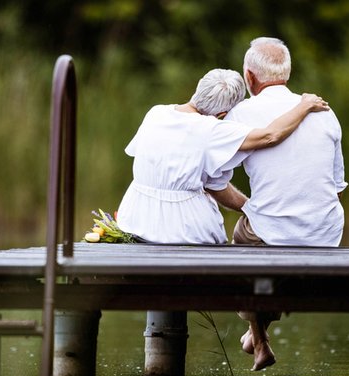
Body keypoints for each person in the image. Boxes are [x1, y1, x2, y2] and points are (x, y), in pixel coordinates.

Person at [221, 37, 348, 371]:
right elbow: (337, 186)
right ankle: (256, 337)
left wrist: (247, 206)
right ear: (287, 73)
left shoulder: (241, 114)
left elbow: (214, 178)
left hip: (274, 232)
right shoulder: (324, 111)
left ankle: (258, 338)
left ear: (249, 77)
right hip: (326, 234)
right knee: (270, 231)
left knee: (245, 238)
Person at [116, 68, 329, 244]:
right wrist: (304, 106)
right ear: (223, 115)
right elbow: (271, 135)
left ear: (198, 89)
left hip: (136, 218)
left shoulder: (156, 113)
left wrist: (247, 207)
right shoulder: (212, 130)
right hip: (183, 228)